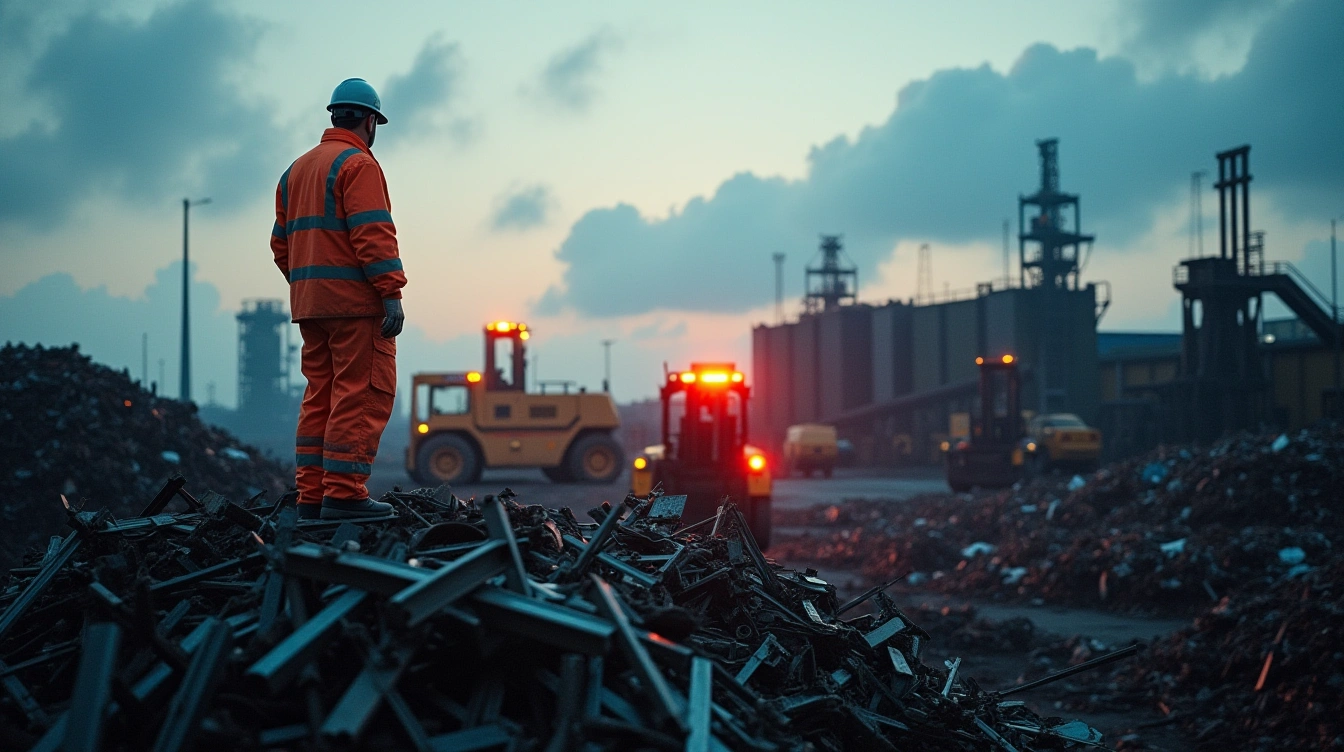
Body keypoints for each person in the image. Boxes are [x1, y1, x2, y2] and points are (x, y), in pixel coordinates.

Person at [270, 78, 407, 520]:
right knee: (359, 393)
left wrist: (309, 286)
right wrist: (390, 293)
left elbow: (280, 244)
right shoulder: (358, 165)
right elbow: (373, 233)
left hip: (311, 307)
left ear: (334, 115)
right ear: (370, 121)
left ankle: (312, 496)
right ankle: (345, 495)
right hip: (355, 307)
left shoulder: (296, 170)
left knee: (320, 398)